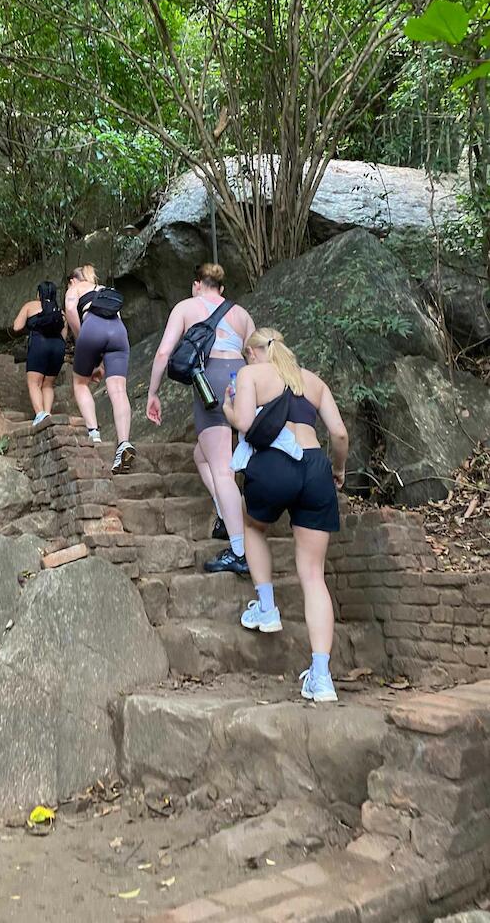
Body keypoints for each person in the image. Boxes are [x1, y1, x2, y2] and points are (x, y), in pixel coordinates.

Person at [223, 327, 348, 703]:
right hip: (315, 466)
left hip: (275, 464)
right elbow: (339, 435)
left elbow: (244, 423)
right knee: (313, 575)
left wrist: (228, 404)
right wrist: (338, 469)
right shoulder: (312, 382)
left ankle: (266, 607)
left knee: (251, 524)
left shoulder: (250, 375)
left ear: (253, 351)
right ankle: (322, 677)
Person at [146, 263, 255, 573]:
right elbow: (257, 353)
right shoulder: (241, 313)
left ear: (197, 284)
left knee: (222, 469)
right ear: (221, 288)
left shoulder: (187, 306)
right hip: (244, 379)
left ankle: (239, 550)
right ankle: (225, 513)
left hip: (213, 380)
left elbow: (163, 354)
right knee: (202, 455)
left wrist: (153, 392)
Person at [64, 264, 135, 473]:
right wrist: (100, 362)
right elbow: (116, 319)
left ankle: (93, 433)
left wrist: (81, 337)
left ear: (73, 280)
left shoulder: (75, 288)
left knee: (80, 383)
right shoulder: (103, 290)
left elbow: (69, 309)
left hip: (92, 327)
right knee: (119, 391)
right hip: (119, 333)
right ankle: (124, 444)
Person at [13, 281, 68, 426]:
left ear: (39, 294)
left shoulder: (30, 305)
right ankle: (47, 413)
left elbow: (17, 326)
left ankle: (39, 414)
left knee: (34, 382)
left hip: (39, 344)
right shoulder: (60, 312)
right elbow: (64, 334)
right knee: (48, 384)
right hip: (57, 346)